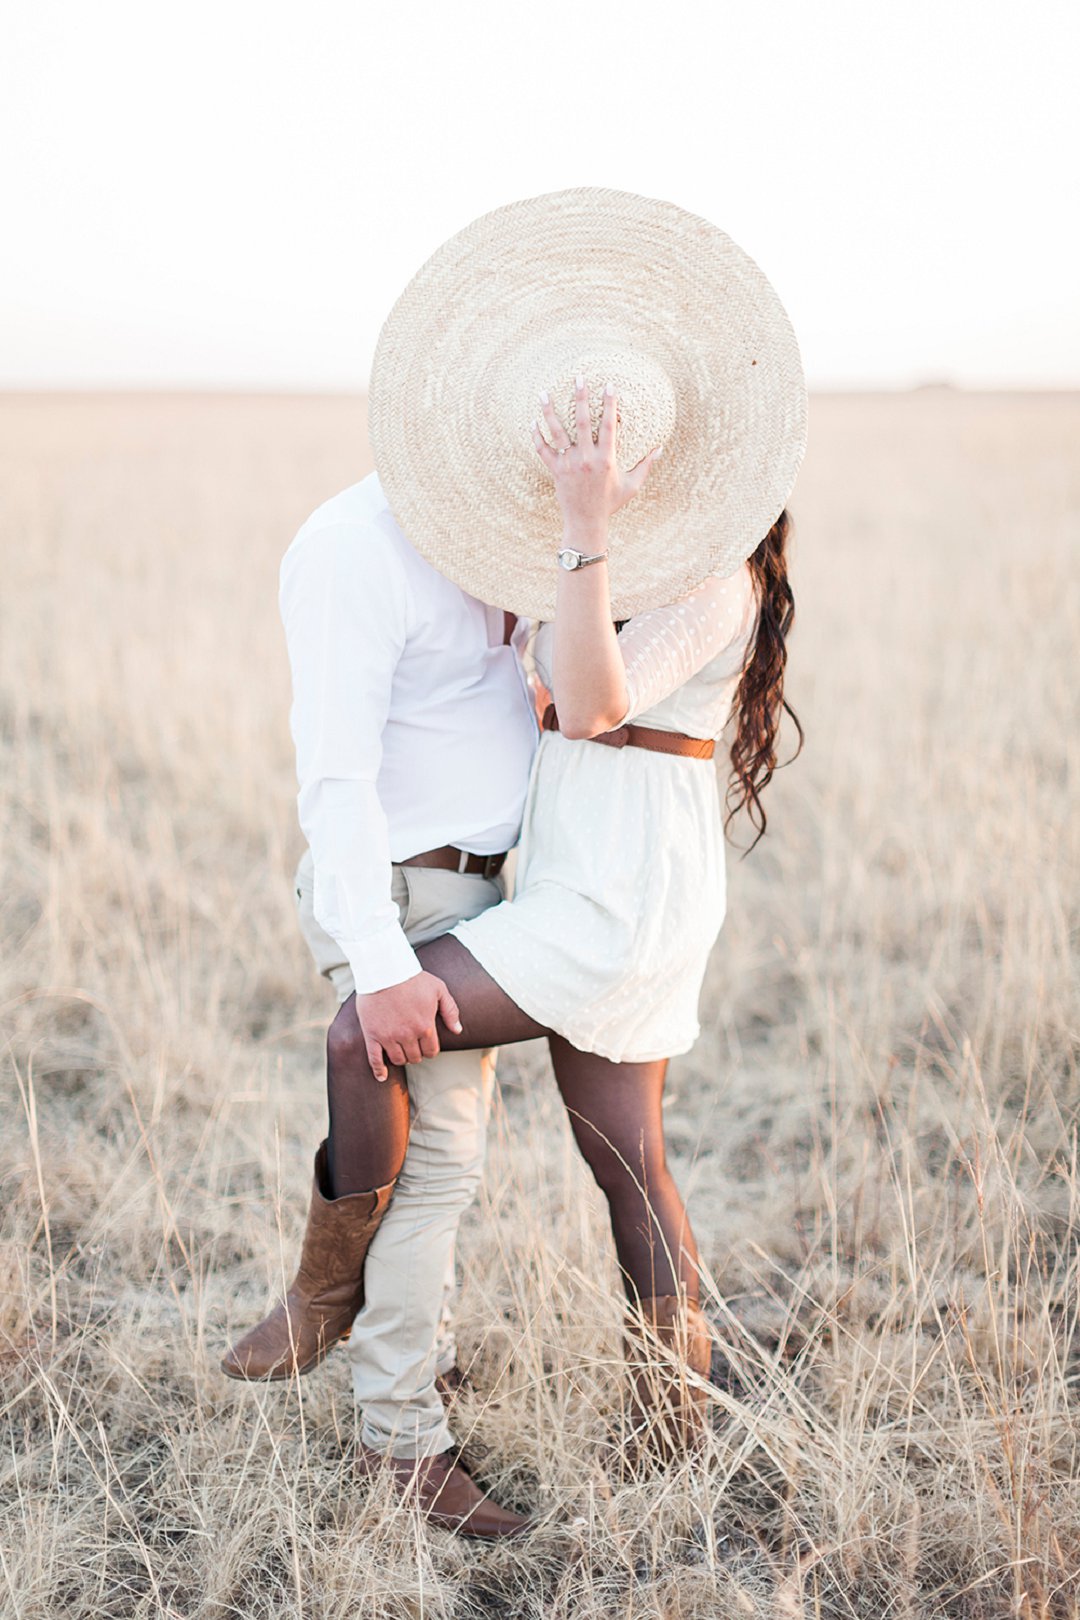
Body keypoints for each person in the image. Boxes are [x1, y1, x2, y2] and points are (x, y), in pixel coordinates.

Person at [226, 184, 808, 1537]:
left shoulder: (694, 579)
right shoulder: (422, 551)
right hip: (571, 877)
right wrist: (577, 539)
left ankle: (334, 1304)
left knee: (373, 1040)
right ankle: (671, 1417)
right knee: (624, 1157)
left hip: (606, 893)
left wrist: (587, 527)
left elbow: (582, 700)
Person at [220, 470, 541, 1539]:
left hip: (470, 886)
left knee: (432, 1152)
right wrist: (378, 961)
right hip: (397, 895)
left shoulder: (500, 521)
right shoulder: (353, 546)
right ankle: (399, 1442)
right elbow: (336, 777)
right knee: (441, 1161)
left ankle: (347, 1316)